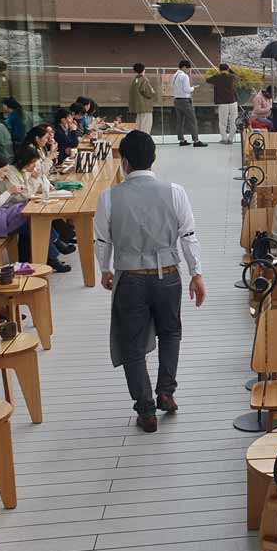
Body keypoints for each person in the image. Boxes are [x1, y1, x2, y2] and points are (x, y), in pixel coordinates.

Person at [94, 130, 205, 433]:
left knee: (132, 345)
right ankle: (166, 392)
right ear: (153, 158)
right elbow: (188, 234)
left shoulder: (109, 197)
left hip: (129, 277)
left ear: (124, 162)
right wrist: (196, 273)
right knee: (171, 333)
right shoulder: (174, 192)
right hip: (168, 273)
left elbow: (102, 240)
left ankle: (146, 410)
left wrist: (104, 269)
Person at [0, 147, 73, 271]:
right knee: (36, 224)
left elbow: (32, 190)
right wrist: (34, 179)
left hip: (21, 210)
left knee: (38, 221)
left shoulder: (24, 172)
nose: (35, 166)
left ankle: (48, 250)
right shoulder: (11, 173)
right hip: (8, 213)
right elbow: (22, 195)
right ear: (25, 161)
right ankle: (52, 256)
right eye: (33, 162)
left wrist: (36, 179)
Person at [170, 60, 205, 147]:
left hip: (176, 100)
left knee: (180, 121)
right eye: (188, 68)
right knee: (192, 120)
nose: (188, 70)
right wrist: (193, 88)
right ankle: (196, 141)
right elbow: (186, 89)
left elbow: (173, 86)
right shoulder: (184, 76)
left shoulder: (174, 75)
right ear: (184, 67)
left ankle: (181, 140)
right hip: (184, 101)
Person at [206, 63, 238, 145]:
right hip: (233, 101)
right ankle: (230, 139)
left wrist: (217, 74)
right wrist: (230, 70)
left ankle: (224, 138)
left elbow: (207, 80)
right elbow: (236, 76)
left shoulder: (217, 77)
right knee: (233, 121)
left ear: (220, 69)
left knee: (223, 122)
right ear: (227, 69)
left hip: (222, 102)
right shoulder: (232, 77)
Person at [128, 63, 155, 135]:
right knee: (146, 127)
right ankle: (144, 143)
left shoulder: (135, 80)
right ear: (143, 69)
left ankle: (138, 143)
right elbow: (149, 93)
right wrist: (152, 91)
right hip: (145, 106)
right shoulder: (144, 79)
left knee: (139, 126)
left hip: (138, 107)